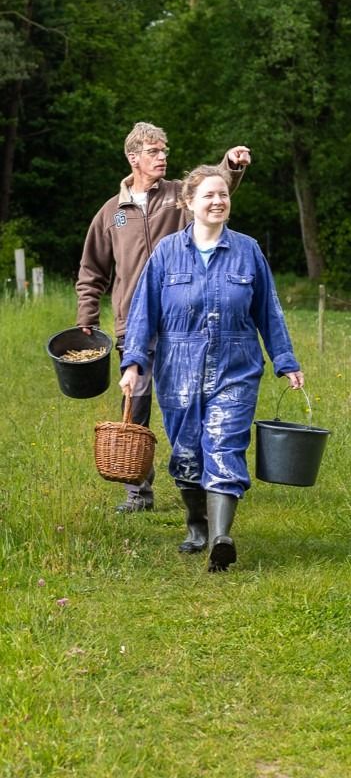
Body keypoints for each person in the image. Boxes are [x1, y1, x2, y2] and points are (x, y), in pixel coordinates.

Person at [118, 164, 304, 573]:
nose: (219, 201)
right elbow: (143, 313)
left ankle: (222, 537)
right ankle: (197, 524)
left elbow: (268, 311)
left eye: (224, 195)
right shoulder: (166, 253)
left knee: (224, 443)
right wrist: (134, 362)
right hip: (178, 366)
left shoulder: (247, 249)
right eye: (209, 196)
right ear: (189, 203)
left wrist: (285, 361)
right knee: (186, 451)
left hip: (236, 364)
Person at [76, 121, 251, 513]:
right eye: (154, 152)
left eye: (164, 151)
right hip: (131, 328)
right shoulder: (112, 213)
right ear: (133, 157)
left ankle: (205, 482)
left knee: (190, 404)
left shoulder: (177, 196)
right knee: (134, 407)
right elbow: (92, 271)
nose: (162, 158)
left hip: (181, 325)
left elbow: (213, 187)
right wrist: (87, 317)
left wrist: (231, 164)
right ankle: (138, 491)